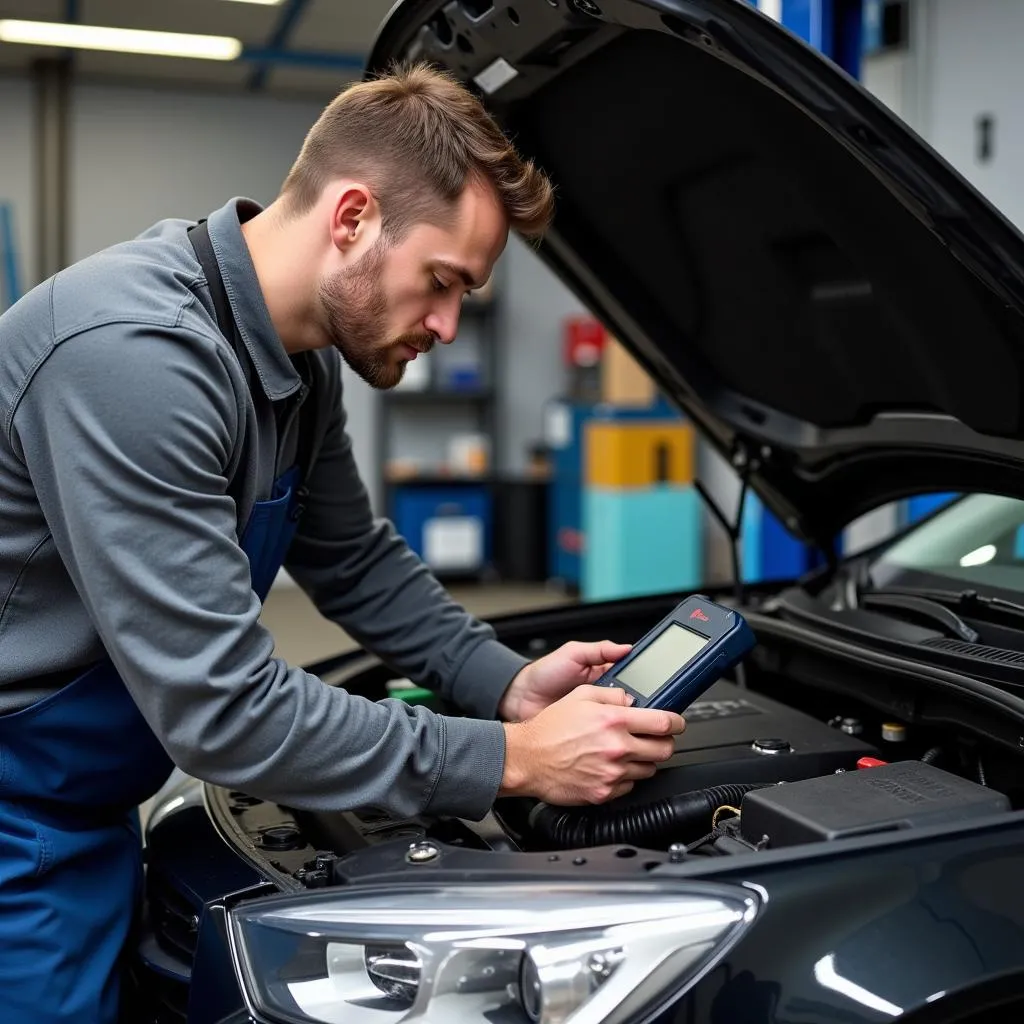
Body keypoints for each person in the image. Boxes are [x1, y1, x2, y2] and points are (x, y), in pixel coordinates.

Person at [0, 62, 686, 1022]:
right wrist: (512, 759)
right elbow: (227, 715)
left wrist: (501, 681)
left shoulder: (297, 361)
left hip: (86, 802)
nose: (448, 324)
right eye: (441, 283)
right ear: (353, 217)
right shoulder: (134, 358)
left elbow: (351, 557)